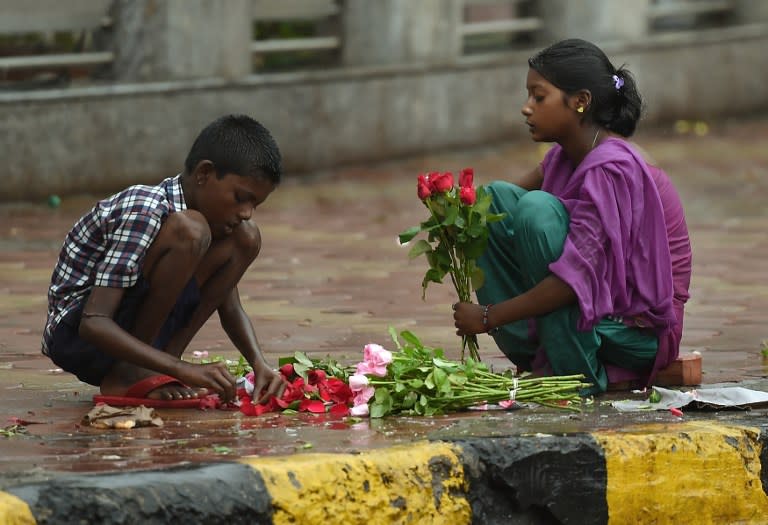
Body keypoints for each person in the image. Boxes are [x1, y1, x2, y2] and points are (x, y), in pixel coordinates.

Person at [452, 39, 692, 395]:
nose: (526, 109)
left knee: (537, 211)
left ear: (580, 102)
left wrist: (489, 317)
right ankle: (543, 358)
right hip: (594, 313)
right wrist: (454, 216)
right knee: (492, 202)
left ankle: (577, 374)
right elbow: (496, 210)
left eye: (539, 97)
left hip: (635, 331)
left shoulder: (613, 168)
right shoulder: (565, 156)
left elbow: (573, 282)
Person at [42, 114, 285, 405]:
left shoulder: (217, 226)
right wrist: (185, 370)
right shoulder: (148, 209)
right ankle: (131, 374)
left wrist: (260, 364)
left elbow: (229, 305)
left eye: (255, 204)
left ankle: (159, 363)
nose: (246, 212)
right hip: (79, 335)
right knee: (191, 231)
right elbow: (93, 323)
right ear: (204, 174)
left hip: (129, 335)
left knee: (248, 236)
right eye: (240, 198)